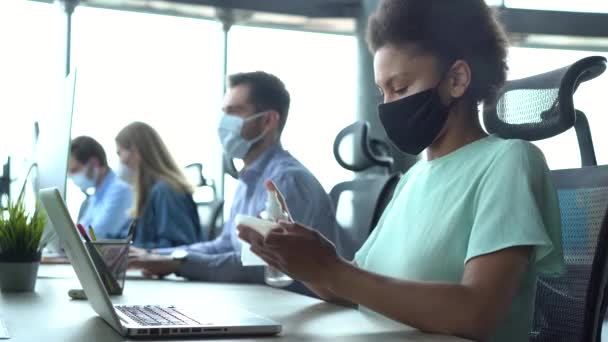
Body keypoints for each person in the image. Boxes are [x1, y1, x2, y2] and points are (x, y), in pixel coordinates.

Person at [238, 1, 564, 341]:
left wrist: (334, 270)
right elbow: (352, 285)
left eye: (401, 88)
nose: (389, 106)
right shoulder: (411, 180)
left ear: (456, 79)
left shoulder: (509, 162)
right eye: (382, 92)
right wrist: (297, 255)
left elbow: (477, 312)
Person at [129, 71, 339, 291]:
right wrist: (155, 255)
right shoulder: (248, 178)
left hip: (294, 306)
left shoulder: (286, 180)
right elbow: (226, 244)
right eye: (224, 112)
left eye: (234, 112)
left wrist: (178, 264)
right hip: (263, 300)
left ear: (268, 120)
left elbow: (265, 265)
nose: (223, 122)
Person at [115, 122, 201, 249]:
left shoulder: (166, 191)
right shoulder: (150, 192)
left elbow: (177, 248)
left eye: (119, 153)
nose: (120, 161)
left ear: (135, 150)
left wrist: (135, 251)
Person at [68, 136, 132, 239]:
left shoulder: (120, 189)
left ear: (94, 163)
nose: (71, 177)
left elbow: (97, 233)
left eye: (74, 170)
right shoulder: (96, 194)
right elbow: (82, 229)